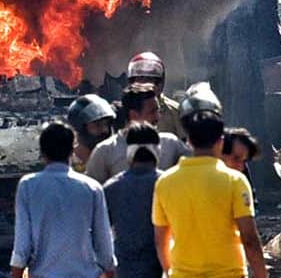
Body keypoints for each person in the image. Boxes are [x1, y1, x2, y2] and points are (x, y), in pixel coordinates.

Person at [153, 84, 267, 278]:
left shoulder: (164, 182)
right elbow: (249, 239)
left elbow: (161, 239)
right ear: (221, 141)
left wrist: (170, 271)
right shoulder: (235, 181)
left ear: (188, 140)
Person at [10, 121, 116, 278]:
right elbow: (104, 244)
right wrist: (110, 271)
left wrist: (16, 274)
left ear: (42, 152)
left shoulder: (28, 186)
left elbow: (22, 244)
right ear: (72, 150)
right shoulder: (91, 188)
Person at [85, 83, 190, 183]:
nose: (158, 117)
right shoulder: (106, 151)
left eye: (158, 110)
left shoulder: (171, 144)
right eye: (152, 112)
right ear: (134, 115)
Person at [103, 122, 162, 278]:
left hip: (123, 270)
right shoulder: (167, 184)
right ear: (157, 149)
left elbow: (101, 235)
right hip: (161, 269)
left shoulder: (111, 187)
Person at [127, 51, 184, 140]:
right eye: (140, 79)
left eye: (150, 79)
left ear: (160, 82)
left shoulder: (175, 112)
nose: (145, 84)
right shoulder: (121, 110)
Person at [66, 94, 115, 170]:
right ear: (81, 128)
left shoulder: (115, 159)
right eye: (97, 125)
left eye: (106, 124)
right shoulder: (67, 162)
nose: (105, 130)